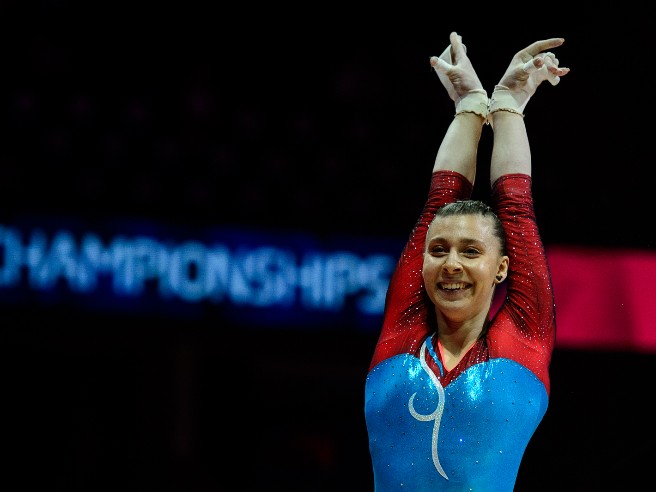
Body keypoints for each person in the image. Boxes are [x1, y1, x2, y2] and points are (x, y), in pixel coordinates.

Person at [364, 32, 570, 491]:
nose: (451, 263)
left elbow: (516, 208)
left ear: (502, 268)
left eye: (471, 251)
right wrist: (469, 107)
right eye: (438, 250)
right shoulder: (402, 334)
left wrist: (509, 105)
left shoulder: (523, 340)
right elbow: (439, 200)